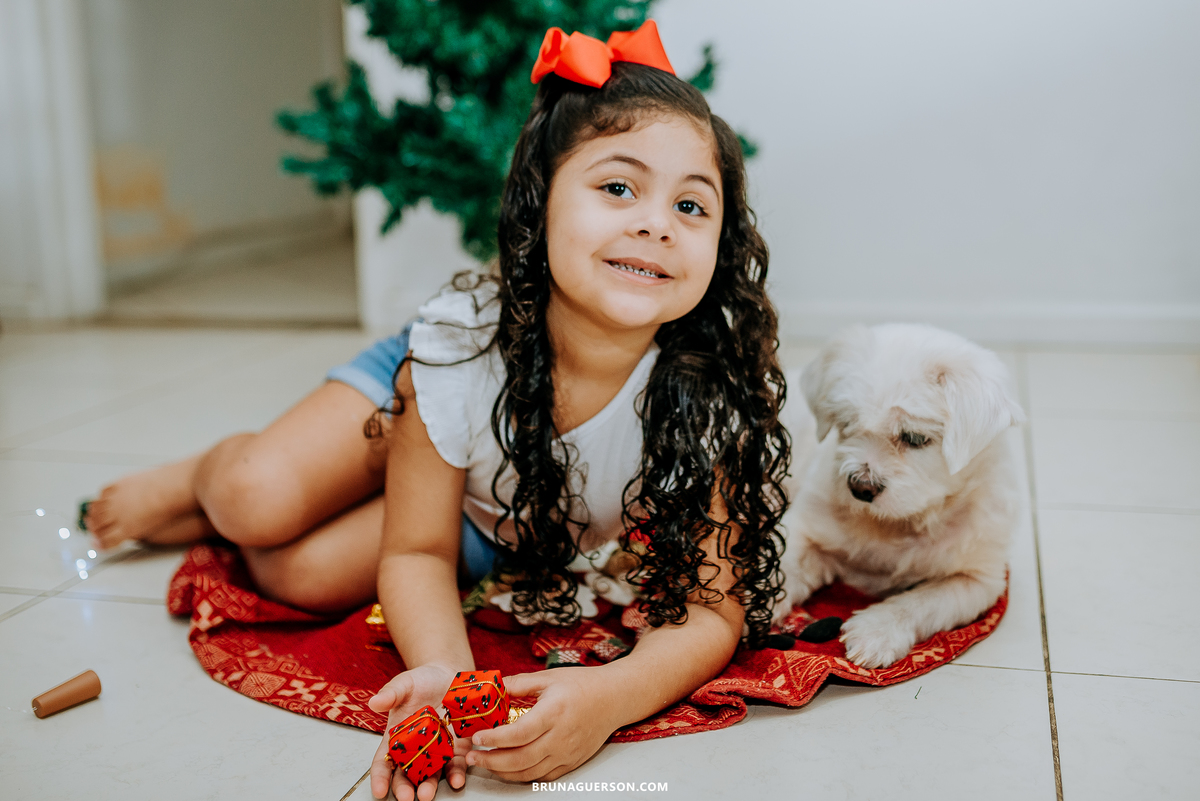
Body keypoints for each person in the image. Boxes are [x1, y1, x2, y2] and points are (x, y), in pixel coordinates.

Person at [82, 21, 790, 801]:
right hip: (421, 392)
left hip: (499, 508)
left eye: (691, 205)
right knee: (255, 498)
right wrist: (446, 669)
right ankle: (202, 476)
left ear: (722, 243)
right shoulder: (455, 355)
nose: (657, 222)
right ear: (539, 204)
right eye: (618, 187)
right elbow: (414, 553)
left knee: (295, 571)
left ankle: (397, 474)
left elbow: (709, 610)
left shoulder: (708, 393)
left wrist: (608, 697)